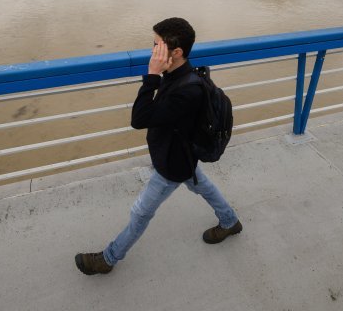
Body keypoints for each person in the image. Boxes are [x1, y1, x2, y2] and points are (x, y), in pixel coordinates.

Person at [75, 17, 242, 275]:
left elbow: (139, 119)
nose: (153, 51)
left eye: (156, 46)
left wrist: (151, 75)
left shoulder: (185, 90)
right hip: (181, 155)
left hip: (172, 164)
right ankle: (230, 221)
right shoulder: (178, 74)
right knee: (202, 185)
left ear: (176, 52)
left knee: (141, 213)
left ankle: (108, 259)